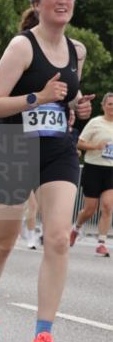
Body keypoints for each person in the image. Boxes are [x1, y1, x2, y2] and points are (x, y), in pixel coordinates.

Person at [0, 0, 94, 342]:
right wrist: (38, 96)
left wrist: (77, 108)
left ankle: (43, 335)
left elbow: (67, 103)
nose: (62, 1)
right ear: (37, 3)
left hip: (58, 150)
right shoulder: (22, 47)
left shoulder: (78, 51)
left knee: (57, 238)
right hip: (12, 149)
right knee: (3, 243)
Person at [71, 91, 113, 257]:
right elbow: (80, 144)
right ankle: (76, 229)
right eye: (109, 104)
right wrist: (96, 146)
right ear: (103, 106)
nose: (112, 108)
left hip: (111, 170)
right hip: (93, 168)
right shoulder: (95, 123)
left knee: (108, 206)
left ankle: (101, 243)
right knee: (90, 209)